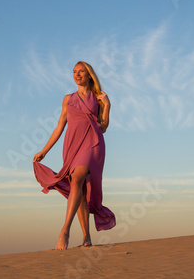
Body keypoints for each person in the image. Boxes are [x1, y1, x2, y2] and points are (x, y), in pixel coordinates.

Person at [33, 61, 116, 250]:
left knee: (77, 179)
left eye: (81, 72)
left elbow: (102, 127)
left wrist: (107, 106)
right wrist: (44, 151)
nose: (77, 75)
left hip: (93, 144)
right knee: (79, 189)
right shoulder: (67, 99)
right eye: (74, 72)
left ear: (89, 75)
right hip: (72, 146)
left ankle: (65, 231)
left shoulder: (98, 98)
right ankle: (86, 237)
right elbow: (60, 126)